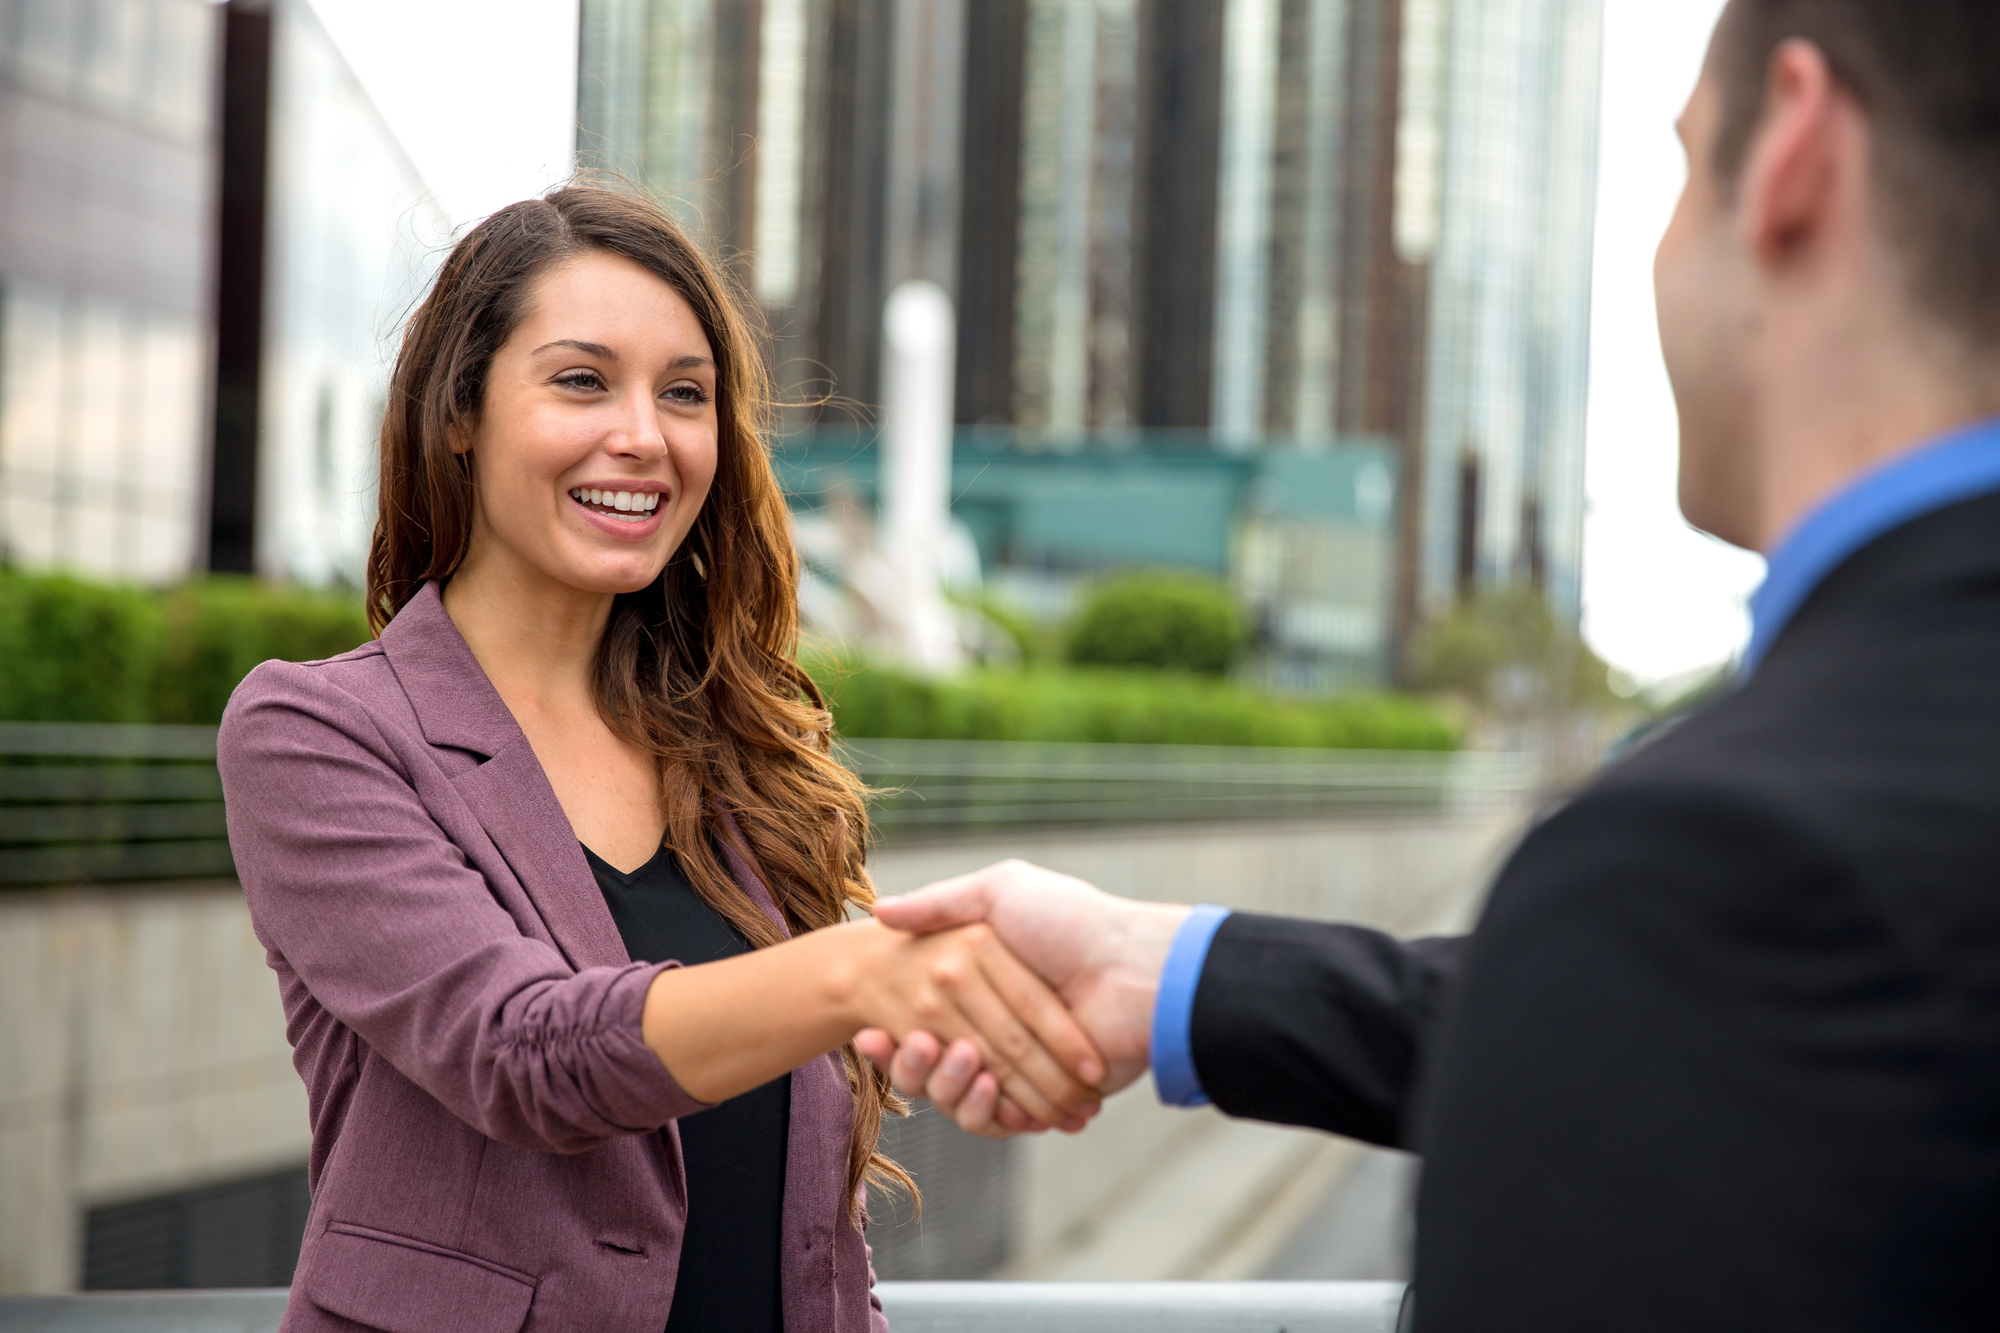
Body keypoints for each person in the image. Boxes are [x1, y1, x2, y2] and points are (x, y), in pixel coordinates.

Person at [860, 2, 2000, 1327]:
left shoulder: (1717, 873)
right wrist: (1173, 971)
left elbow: (1723, 999)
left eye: (1687, 165)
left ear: (1796, 148)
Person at [217, 186, 1102, 1333]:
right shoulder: (320, 732)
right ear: (459, 412)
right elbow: (522, 1051)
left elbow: (812, 1226)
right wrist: (867, 974)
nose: (643, 434)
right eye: (581, 379)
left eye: (684, 394)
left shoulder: (736, 754)